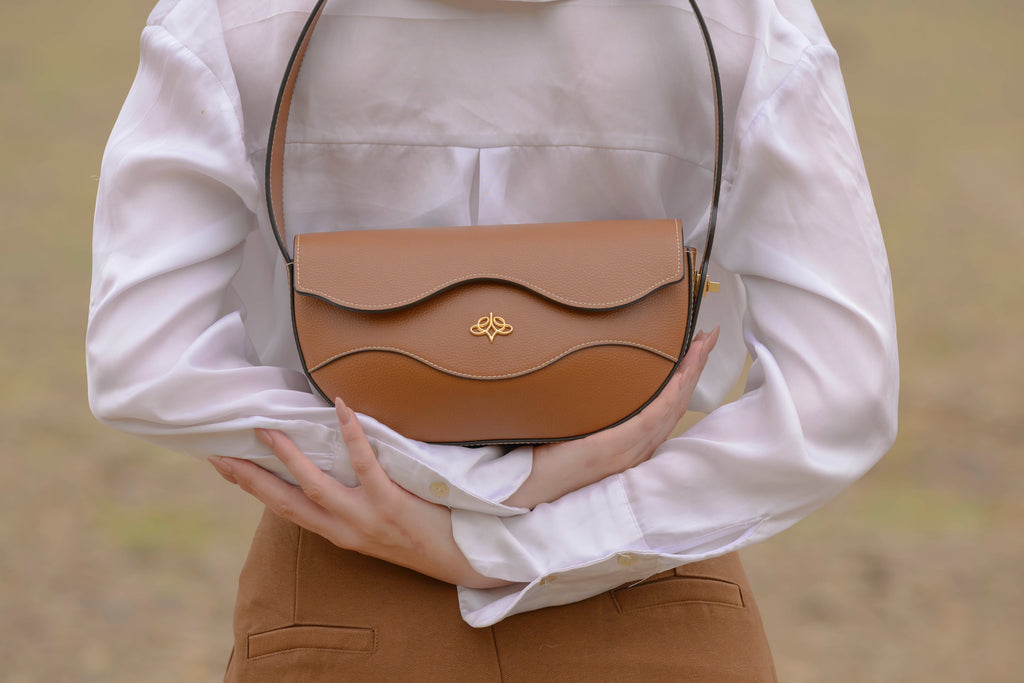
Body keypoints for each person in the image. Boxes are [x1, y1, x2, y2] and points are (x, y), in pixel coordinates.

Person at [87, 0, 898, 679]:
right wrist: (531, 517)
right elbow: (842, 396)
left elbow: (145, 364)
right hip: (648, 573)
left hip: (343, 580)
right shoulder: (744, 20)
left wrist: (459, 510)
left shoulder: (234, 16)